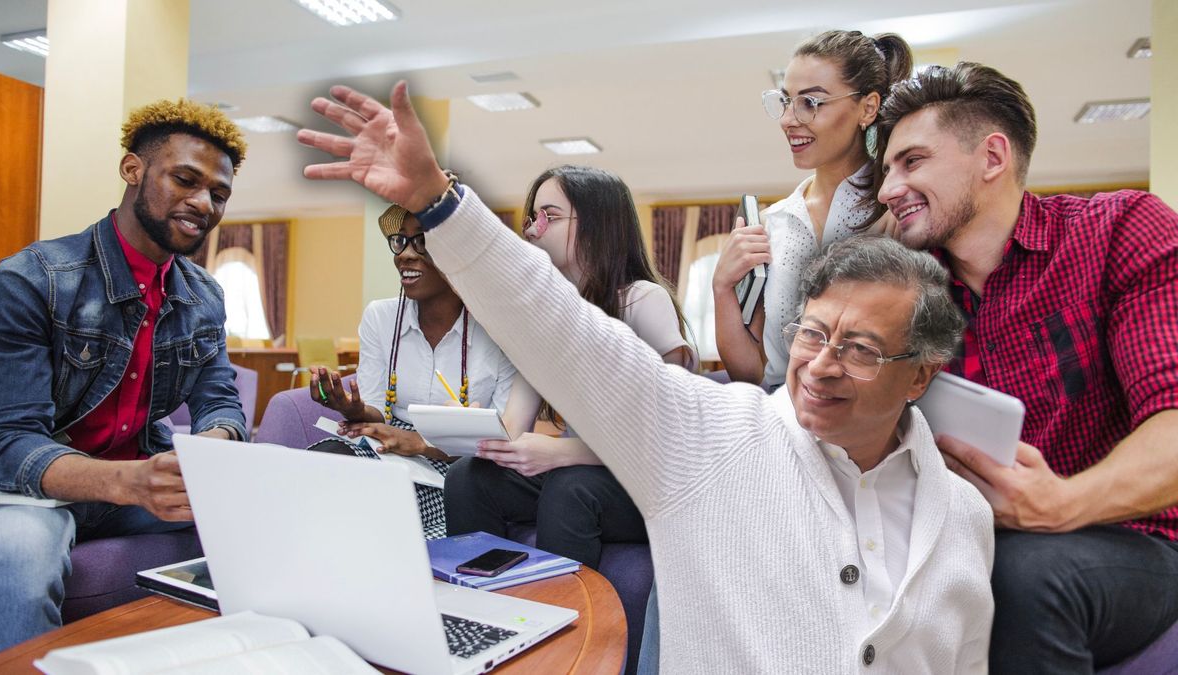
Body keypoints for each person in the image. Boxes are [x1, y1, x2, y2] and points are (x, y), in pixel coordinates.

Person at [298, 82, 995, 672]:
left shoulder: (960, 516)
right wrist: (436, 200)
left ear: (919, 376)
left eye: (862, 347)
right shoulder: (712, 435)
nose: (821, 363)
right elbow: (557, 327)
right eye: (812, 333)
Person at [876, 62, 1178, 673]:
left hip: (1131, 538)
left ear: (992, 157)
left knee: (1023, 576)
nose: (887, 188)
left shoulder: (1121, 229)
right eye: (887, 170)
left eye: (911, 162)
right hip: (970, 537)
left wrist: (1063, 504)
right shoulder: (911, 289)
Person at [0, 99, 249, 658]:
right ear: (133, 170)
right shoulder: (30, 281)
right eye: (185, 179)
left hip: (130, 481)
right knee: (24, 548)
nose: (203, 203)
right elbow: (8, 445)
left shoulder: (204, 296)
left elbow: (220, 401)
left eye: (218, 194)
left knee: (260, 522)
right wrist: (130, 482)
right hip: (25, 493)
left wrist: (210, 455)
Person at [444, 165, 695, 571]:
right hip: (586, 467)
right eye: (532, 217)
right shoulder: (545, 317)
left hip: (651, 479)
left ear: (599, 224)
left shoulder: (642, 301)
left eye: (550, 216)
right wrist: (468, 434)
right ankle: (483, 599)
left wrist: (561, 452)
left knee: (570, 485)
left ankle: (569, 625)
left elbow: (669, 432)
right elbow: (513, 425)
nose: (532, 230)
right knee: (468, 477)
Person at [713, 30, 911, 390]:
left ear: (867, 107)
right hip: (782, 419)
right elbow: (753, 372)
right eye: (786, 101)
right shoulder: (774, 223)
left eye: (811, 103)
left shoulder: (898, 209)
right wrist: (723, 286)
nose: (788, 120)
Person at [310, 204, 517, 540]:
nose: (405, 255)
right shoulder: (380, 318)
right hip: (388, 447)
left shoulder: (498, 330)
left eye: (422, 242)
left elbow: (504, 437)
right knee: (322, 464)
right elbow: (378, 409)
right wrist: (350, 407)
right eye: (401, 241)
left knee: (381, 509)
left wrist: (421, 443)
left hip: (460, 463)